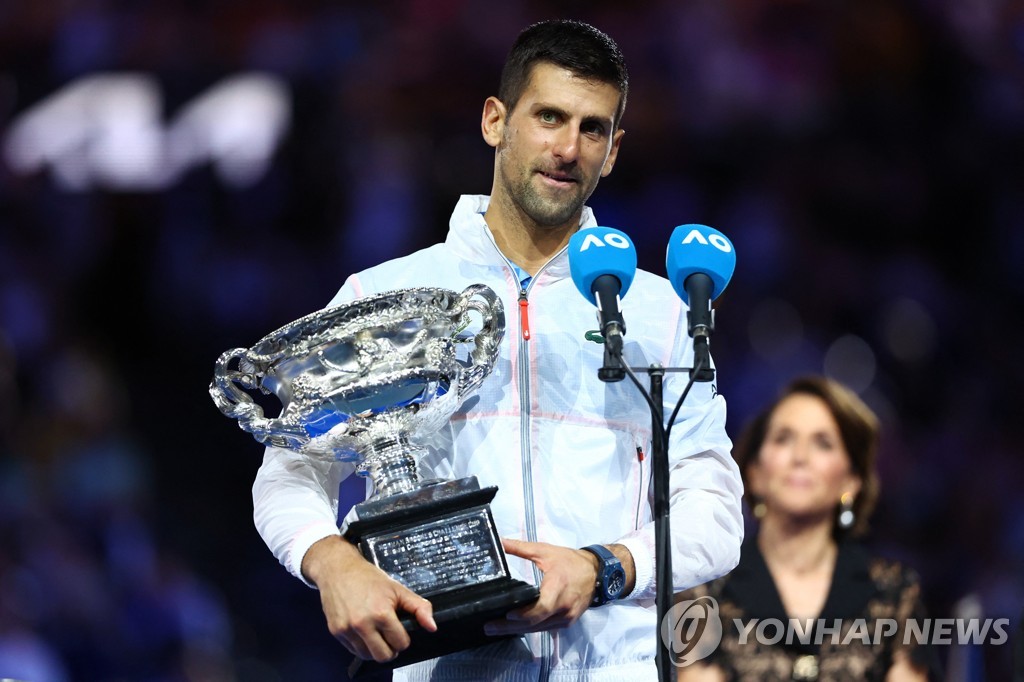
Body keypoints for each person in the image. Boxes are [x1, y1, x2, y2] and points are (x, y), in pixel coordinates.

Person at [252, 19, 744, 680]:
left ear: (615, 149)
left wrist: (603, 568)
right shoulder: (385, 295)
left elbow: (713, 511)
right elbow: (291, 472)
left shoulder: (658, 312)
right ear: (495, 121)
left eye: (593, 128)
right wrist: (331, 559)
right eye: (549, 117)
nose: (569, 148)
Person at [676, 376, 937, 681]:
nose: (800, 457)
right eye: (783, 439)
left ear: (851, 482)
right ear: (754, 473)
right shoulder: (704, 593)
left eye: (823, 443)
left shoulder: (895, 592)